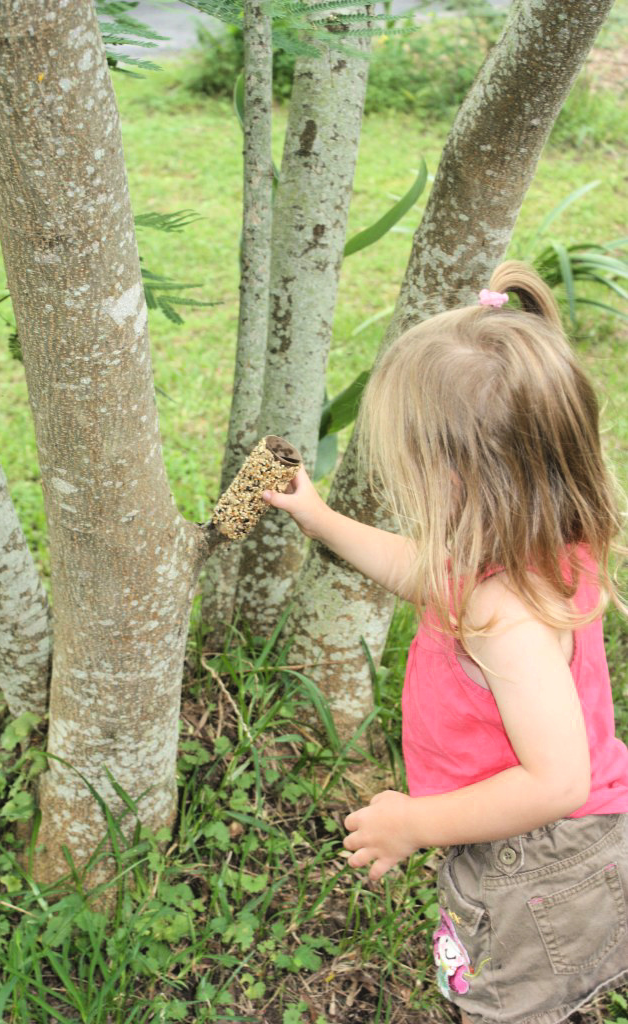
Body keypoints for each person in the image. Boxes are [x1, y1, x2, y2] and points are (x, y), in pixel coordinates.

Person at [262, 261, 628, 1024]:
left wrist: (415, 823)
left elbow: (557, 780)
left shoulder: (509, 616)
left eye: (412, 464)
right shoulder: (525, 544)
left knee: (504, 1008)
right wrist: (322, 520)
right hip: (543, 849)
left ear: (462, 477)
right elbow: (424, 572)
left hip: (535, 857)